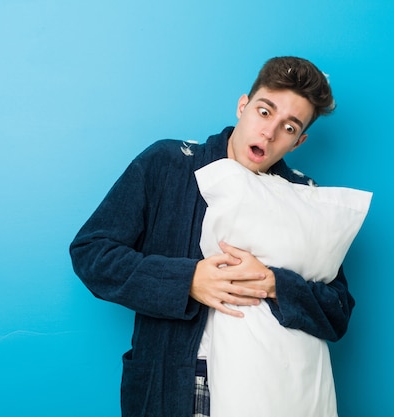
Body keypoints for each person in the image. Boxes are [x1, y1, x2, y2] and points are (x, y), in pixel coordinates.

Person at [69, 56, 356, 417]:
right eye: (265, 112)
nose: (269, 132)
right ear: (243, 105)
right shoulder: (167, 163)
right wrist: (187, 280)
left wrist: (272, 284)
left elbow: (338, 311)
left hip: (273, 393)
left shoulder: (305, 196)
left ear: (298, 142)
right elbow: (92, 253)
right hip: (174, 385)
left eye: (288, 127)